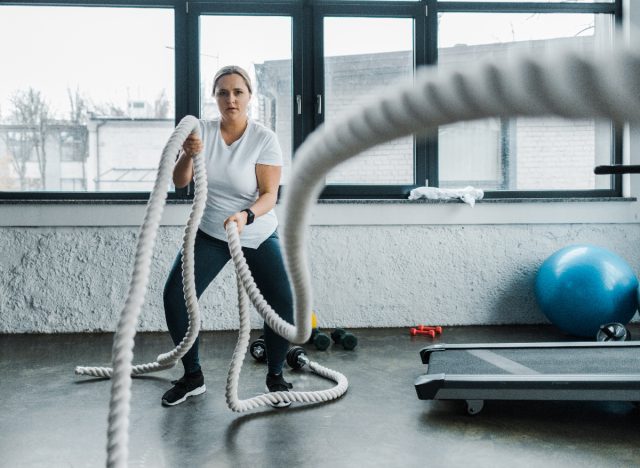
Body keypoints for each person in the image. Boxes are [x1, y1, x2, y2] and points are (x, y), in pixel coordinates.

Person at [161, 65, 294, 407]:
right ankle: (193, 377)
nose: (230, 99)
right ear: (215, 97)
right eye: (223, 92)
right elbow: (179, 182)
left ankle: (276, 377)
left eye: (238, 92)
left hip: (256, 231)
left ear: (250, 96)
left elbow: (269, 196)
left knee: (281, 306)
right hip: (211, 232)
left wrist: (245, 216)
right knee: (175, 295)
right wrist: (189, 155)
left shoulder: (264, 138)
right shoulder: (200, 131)